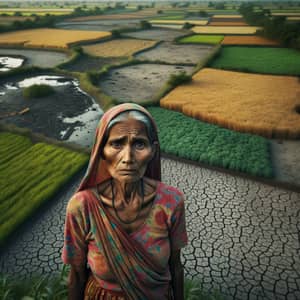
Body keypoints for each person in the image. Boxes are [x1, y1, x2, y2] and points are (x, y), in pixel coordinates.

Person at [62, 103, 188, 300]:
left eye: (139, 144)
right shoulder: (82, 207)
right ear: (101, 149)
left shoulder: (171, 202)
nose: (128, 158)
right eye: (117, 144)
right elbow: (77, 275)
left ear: (153, 151)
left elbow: (176, 268)